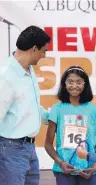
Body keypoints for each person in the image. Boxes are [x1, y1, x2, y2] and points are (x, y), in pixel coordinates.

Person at [0, 25, 51, 185]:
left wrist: (55, 117)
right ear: (34, 49)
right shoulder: (6, 77)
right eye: (44, 51)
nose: (44, 56)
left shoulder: (28, 70)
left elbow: (30, 107)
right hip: (10, 149)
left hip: (29, 148)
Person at [45, 66, 96, 185]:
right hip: (63, 171)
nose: (74, 86)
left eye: (78, 82)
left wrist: (95, 165)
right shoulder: (57, 109)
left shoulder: (94, 110)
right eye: (70, 82)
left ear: (85, 84)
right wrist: (60, 162)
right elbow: (48, 144)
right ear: (64, 84)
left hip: (88, 170)